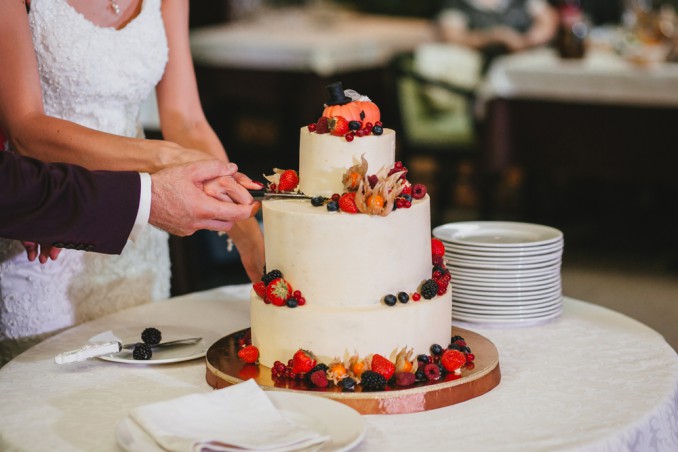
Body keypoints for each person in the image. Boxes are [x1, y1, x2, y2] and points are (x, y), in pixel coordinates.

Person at [0, 0, 265, 365]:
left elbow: (186, 119)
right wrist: (164, 157)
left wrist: (248, 233)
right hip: (52, 223)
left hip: (143, 232)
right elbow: (26, 128)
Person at [0, 151, 261, 260]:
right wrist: (152, 190)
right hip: (62, 188)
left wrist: (250, 241)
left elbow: (187, 117)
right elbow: (26, 128)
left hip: (67, 198)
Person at [438, 0, 559, 70]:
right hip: (486, 66)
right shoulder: (458, 4)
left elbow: (547, 22)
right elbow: (453, 37)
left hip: (530, 60)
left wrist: (526, 41)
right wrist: (494, 37)